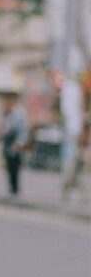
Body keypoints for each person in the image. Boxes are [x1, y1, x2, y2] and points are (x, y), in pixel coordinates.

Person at [53, 68, 87, 201]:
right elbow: (68, 113)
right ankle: (68, 189)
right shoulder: (72, 90)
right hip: (74, 132)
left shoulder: (76, 90)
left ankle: (73, 190)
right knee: (71, 162)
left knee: (77, 164)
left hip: (77, 134)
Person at [0, 93, 28, 196]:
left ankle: (15, 188)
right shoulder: (7, 113)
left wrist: (20, 142)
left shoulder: (18, 113)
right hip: (8, 145)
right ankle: (12, 188)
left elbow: (18, 129)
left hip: (16, 144)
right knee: (9, 167)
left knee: (14, 167)